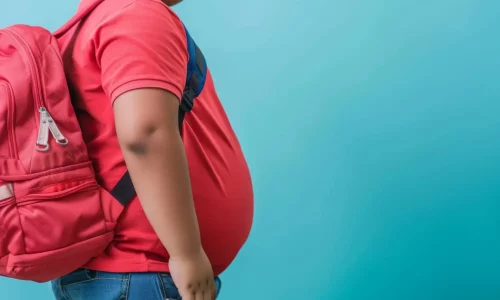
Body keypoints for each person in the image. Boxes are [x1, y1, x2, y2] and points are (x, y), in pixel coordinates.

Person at [50, 0, 254, 299]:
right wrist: (186, 254)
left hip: (125, 274)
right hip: (142, 274)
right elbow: (144, 133)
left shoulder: (91, 23)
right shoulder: (136, 12)